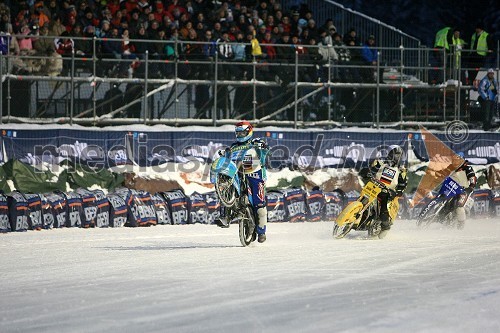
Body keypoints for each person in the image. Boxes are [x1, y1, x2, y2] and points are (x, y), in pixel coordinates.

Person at [216, 121, 269, 243]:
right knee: (225, 188)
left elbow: (265, 151)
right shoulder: (233, 147)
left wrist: (263, 147)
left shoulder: (256, 142)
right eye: (238, 133)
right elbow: (227, 158)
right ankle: (225, 216)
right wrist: (223, 156)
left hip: (255, 172)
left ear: (249, 131)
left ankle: (261, 231)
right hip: (237, 173)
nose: (240, 135)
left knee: (259, 204)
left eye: (242, 132)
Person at [362, 145, 407, 239]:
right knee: (363, 195)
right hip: (375, 186)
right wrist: (366, 173)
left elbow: (403, 184)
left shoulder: (401, 170)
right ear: (389, 154)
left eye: (398, 155)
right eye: (395, 154)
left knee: (384, 203)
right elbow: (370, 170)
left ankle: (385, 223)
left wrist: (399, 191)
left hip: (389, 191)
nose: (396, 157)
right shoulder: (380, 163)